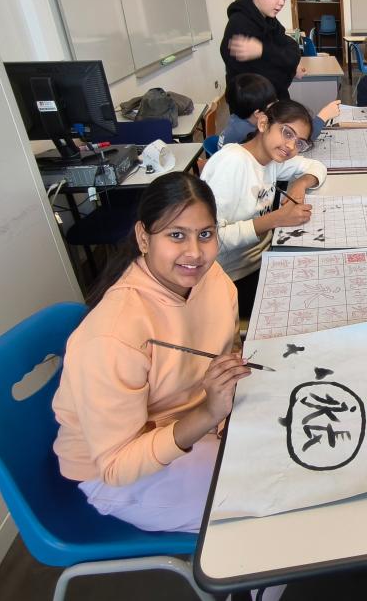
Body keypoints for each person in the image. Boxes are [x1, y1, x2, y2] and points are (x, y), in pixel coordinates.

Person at [52, 172, 250, 533]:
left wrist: (222, 393)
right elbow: (116, 465)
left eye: (205, 234)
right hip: (120, 474)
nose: (195, 253)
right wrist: (209, 413)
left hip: (197, 423)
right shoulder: (113, 335)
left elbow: (224, 347)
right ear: (144, 237)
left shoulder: (211, 277)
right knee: (263, 505)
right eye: (176, 235)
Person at [201, 100, 326, 317]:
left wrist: (300, 183)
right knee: (312, 302)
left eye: (299, 143)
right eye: (287, 133)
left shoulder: (270, 159)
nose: (291, 147)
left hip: (264, 258)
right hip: (231, 278)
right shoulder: (232, 163)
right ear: (263, 123)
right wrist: (276, 219)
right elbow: (210, 240)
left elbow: (316, 166)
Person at [220, 0, 306, 101]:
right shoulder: (239, 25)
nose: (282, 2)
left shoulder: (269, 19)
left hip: (274, 100)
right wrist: (289, 67)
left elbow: (293, 49)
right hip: (253, 107)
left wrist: (263, 50)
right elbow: (272, 78)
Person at [219, 73, 339, 148]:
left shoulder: (239, 118)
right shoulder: (251, 134)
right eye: (273, 103)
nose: (277, 103)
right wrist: (323, 116)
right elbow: (300, 139)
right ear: (258, 114)